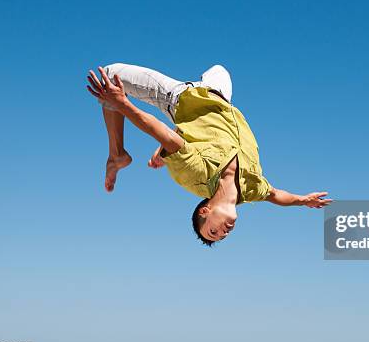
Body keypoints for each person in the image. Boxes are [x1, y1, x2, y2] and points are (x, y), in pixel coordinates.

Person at [86, 63, 332, 246]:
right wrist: (303, 200)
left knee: (109, 76)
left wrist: (123, 103)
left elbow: (159, 132)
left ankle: (117, 154)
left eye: (213, 231)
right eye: (222, 236)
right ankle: (178, 142)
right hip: (221, 98)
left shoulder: (196, 177)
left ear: (205, 211)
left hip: (182, 97)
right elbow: (277, 195)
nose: (224, 232)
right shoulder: (250, 190)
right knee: (219, 68)